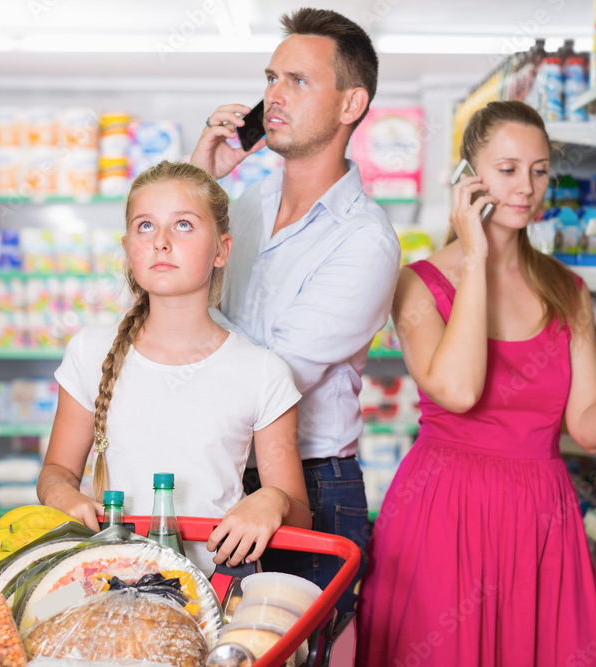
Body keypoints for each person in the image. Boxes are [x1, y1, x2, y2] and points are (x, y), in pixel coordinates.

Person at [356, 100, 596, 666]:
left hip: (540, 512)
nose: (526, 187)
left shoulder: (567, 289)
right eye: (507, 169)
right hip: (446, 508)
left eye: (539, 171)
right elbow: (459, 390)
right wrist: (478, 256)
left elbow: (587, 429)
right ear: (469, 176)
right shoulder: (418, 285)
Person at [190, 7, 401, 615]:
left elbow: (268, 380)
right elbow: (164, 277)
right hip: (223, 466)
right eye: (270, 78)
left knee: (288, 650)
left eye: (297, 81)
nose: (272, 97)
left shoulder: (365, 242)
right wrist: (203, 180)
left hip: (312, 486)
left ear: (350, 104)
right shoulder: (246, 203)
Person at [37, 160, 311, 573]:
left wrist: (273, 500)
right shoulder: (89, 352)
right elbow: (56, 471)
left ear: (222, 250)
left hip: (216, 595)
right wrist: (60, 493)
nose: (160, 242)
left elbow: (300, 515)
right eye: (145, 226)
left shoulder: (262, 371)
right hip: (109, 584)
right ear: (129, 248)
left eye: (183, 225)